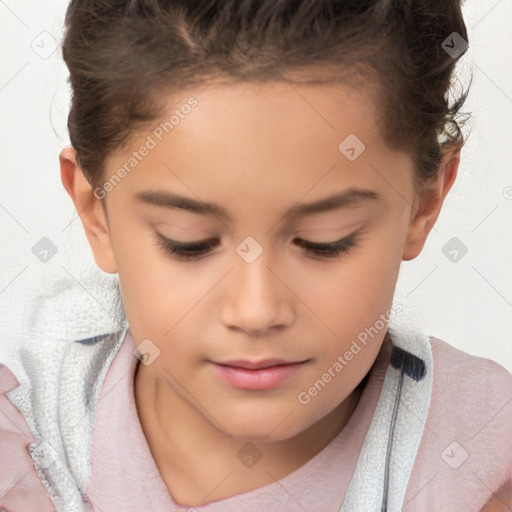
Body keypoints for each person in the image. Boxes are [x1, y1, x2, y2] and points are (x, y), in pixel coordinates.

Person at [1, 1, 511, 511]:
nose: (256, 310)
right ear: (97, 213)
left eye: (325, 240)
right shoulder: (22, 441)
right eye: (188, 242)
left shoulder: (480, 462)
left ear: (424, 202)